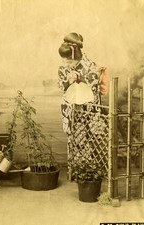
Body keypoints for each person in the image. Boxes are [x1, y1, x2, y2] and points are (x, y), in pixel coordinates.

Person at [57, 32, 108, 177]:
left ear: (76, 57)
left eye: (69, 62)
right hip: (70, 107)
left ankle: (90, 173)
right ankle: (75, 171)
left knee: (88, 139)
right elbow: (62, 86)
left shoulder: (90, 67)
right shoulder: (63, 67)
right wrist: (68, 81)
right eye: (64, 61)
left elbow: (92, 91)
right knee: (73, 138)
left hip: (87, 108)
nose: (66, 64)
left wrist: (79, 79)